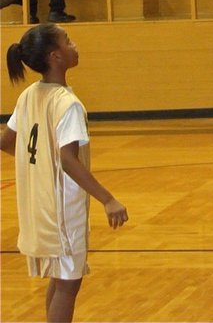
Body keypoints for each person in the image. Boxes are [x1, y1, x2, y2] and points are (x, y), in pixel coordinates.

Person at [0, 24, 128, 323]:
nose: (75, 45)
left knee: (59, 281)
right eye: (68, 41)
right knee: (68, 285)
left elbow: (6, 142)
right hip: (61, 209)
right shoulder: (68, 105)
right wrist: (107, 199)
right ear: (56, 56)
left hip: (37, 206)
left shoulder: (29, 94)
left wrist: (39, 163)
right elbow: (69, 161)